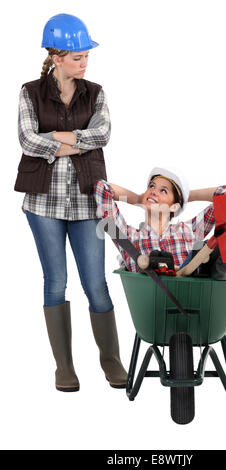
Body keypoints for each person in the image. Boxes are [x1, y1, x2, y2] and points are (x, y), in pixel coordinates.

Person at [14, 14, 127, 392]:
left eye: (86, 57)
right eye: (78, 57)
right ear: (57, 56)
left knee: (95, 284)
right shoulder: (30, 92)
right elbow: (28, 141)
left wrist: (58, 139)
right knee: (55, 282)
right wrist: (78, 140)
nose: (85, 63)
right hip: (42, 204)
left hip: (85, 204)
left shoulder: (95, 93)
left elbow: (104, 133)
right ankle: (64, 367)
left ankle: (111, 360)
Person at [94, 167, 226, 277]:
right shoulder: (127, 236)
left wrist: (185, 196)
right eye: (151, 186)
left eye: (163, 191)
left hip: (189, 299)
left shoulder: (190, 230)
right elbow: (102, 188)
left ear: (174, 206)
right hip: (150, 303)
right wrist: (139, 199)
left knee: (211, 250)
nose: (153, 191)